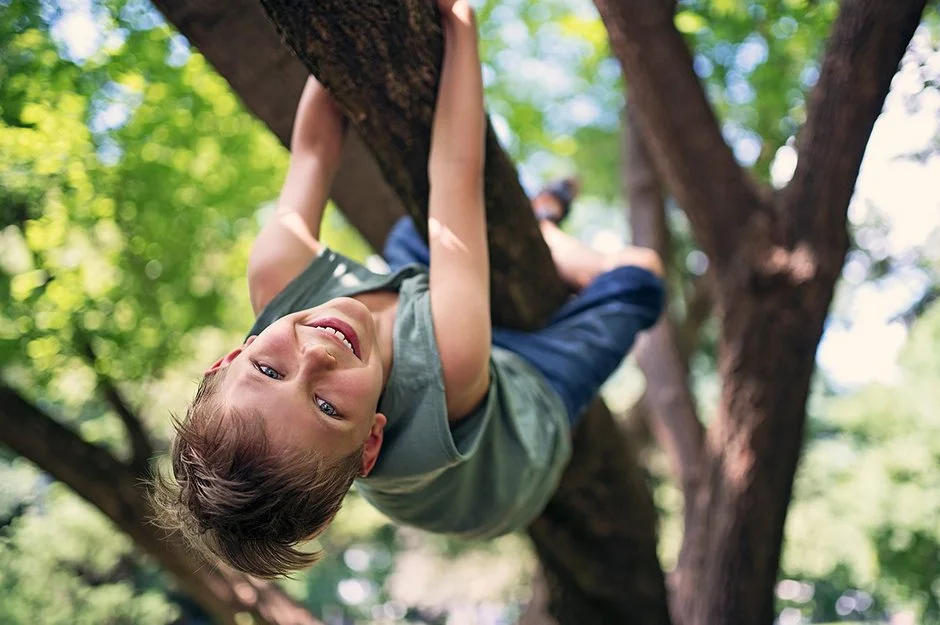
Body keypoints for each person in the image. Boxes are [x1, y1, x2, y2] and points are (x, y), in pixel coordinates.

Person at [152, 0, 665, 580]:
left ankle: (537, 221)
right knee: (640, 276)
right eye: (326, 405)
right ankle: (545, 228)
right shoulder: (450, 359)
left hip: (436, 330)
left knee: (420, 231)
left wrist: (334, 42)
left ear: (228, 360)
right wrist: (460, 25)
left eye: (269, 371)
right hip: (513, 443)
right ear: (371, 441)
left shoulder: (279, 273)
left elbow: (316, 150)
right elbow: (455, 167)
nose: (317, 355)